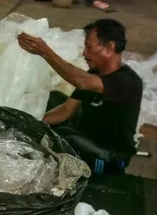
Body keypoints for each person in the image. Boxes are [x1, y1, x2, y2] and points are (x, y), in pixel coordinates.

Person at [17, 19, 143, 175]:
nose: (84, 53)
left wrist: (45, 52)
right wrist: (29, 124)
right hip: (88, 139)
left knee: (66, 138)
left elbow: (82, 82)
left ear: (110, 46)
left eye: (89, 47)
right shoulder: (95, 74)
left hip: (111, 157)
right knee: (54, 98)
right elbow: (66, 110)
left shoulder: (127, 81)